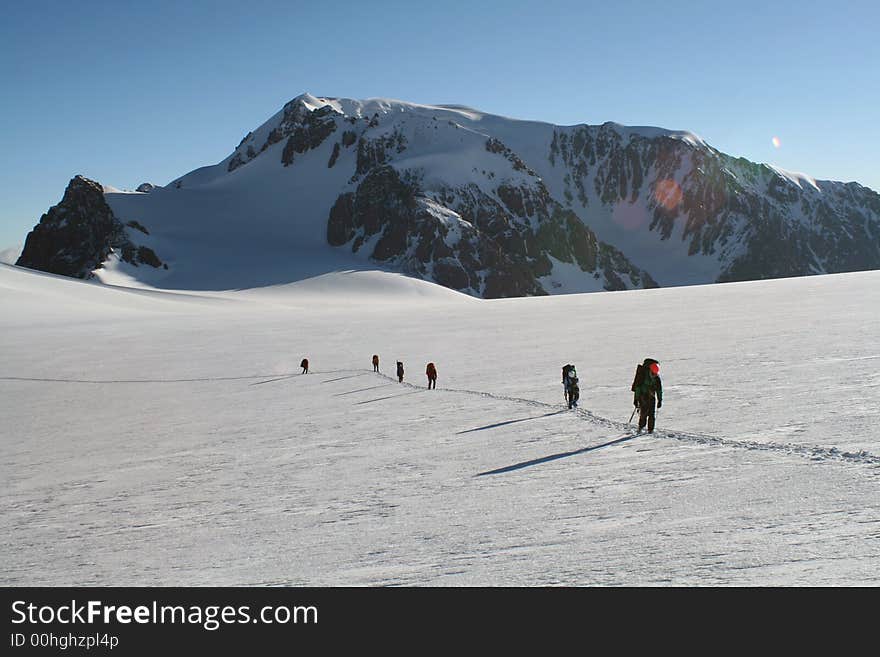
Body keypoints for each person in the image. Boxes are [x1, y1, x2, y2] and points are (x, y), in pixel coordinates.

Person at [631, 358, 662, 433]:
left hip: (651, 397)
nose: (654, 375)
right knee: (644, 413)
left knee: (651, 414)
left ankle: (650, 429)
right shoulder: (643, 376)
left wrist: (660, 400)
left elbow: (659, 390)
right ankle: (641, 427)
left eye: (655, 374)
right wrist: (636, 399)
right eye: (653, 374)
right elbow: (638, 388)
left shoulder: (656, 378)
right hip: (643, 397)